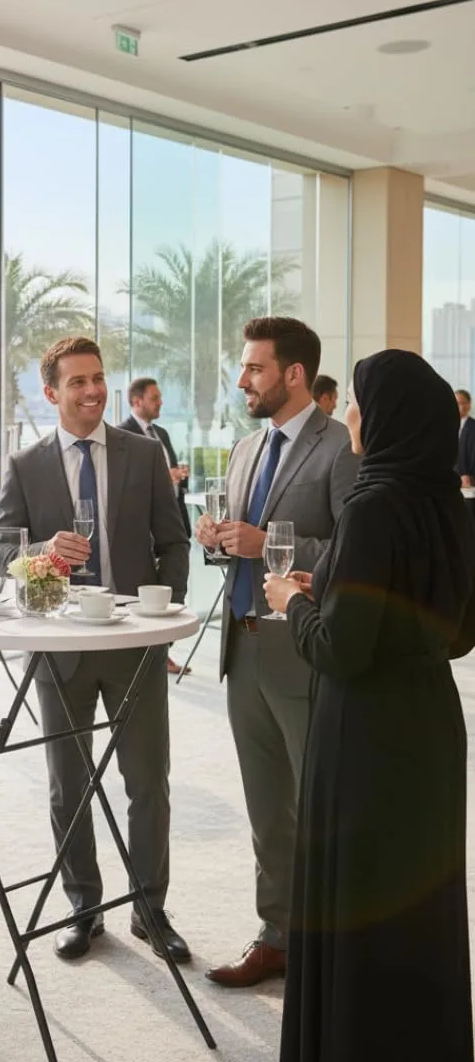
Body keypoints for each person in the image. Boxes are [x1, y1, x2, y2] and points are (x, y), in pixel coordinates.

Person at [264, 350, 475, 1062]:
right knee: (420, 900)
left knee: (360, 903)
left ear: (382, 415)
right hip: (433, 724)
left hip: (363, 730)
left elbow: (337, 649)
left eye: (356, 402)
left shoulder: (371, 505)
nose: (349, 414)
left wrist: (294, 603)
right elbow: (461, 636)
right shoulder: (452, 503)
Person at [0, 336, 192, 963]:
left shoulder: (144, 452)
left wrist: (163, 618)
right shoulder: (25, 464)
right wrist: (40, 554)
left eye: (98, 378)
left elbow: (176, 542)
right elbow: (2, 552)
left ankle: (148, 909)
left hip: (135, 647)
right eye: (77, 382)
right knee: (67, 787)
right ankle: (83, 907)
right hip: (59, 649)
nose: (92, 391)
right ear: (51, 393)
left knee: (147, 785)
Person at [195, 317, 358, 988]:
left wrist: (269, 546)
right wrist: (215, 537)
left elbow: (358, 554)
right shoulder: (243, 448)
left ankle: (337, 949)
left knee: (321, 810)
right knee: (267, 809)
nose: (242, 380)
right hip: (243, 648)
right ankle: (277, 938)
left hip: (302, 651)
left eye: (254, 369)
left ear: (294, 374)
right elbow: (231, 546)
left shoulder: (340, 449)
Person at [118, 376, 191, 676]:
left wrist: (176, 477)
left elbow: (165, 476)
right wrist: (165, 478)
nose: (160, 402)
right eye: (154, 398)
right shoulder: (122, 435)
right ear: (137, 401)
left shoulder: (160, 433)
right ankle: (154, 653)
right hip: (144, 532)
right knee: (149, 592)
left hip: (173, 523)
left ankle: (163, 650)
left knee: (175, 590)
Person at [455, 389, 475, 490]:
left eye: (461, 403)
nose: (457, 406)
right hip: (450, 481)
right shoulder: (447, 426)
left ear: (468, 405)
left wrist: (469, 477)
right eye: (455, 403)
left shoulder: (473, 426)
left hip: (468, 482)